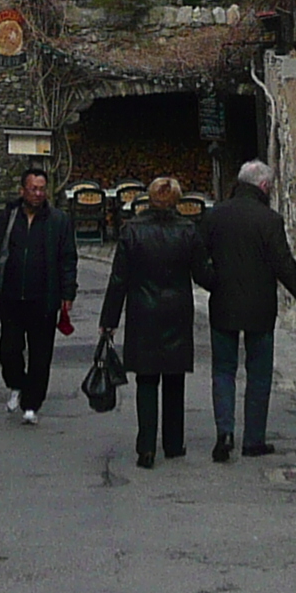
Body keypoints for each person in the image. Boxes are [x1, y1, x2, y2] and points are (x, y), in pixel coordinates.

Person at [199, 159, 296, 461]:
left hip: (224, 304)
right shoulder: (269, 220)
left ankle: (225, 432)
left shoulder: (215, 216)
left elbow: (197, 258)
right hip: (260, 308)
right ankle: (253, 439)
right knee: (258, 374)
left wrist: (211, 283)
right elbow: (285, 267)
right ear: (264, 186)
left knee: (224, 371)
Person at [100, 175, 210, 468]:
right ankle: (173, 443)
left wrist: (109, 319)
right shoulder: (188, 231)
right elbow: (202, 275)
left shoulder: (132, 231)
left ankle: (146, 446)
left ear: (148, 199)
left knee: (146, 381)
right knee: (174, 380)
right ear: (177, 201)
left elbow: (119, 279)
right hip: (176, 310)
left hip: (143, 310)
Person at [0, 167, 77, 423]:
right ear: (22, 190)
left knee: (40, 355)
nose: (38, 193)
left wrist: (68, 292)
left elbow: (67, 258)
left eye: (42, 188)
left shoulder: (58, 221)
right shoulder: (8, 218)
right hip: (11, 298)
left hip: (43, 298)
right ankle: (17, 383)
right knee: (8, 351)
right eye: (33, 188)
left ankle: (32, 404)